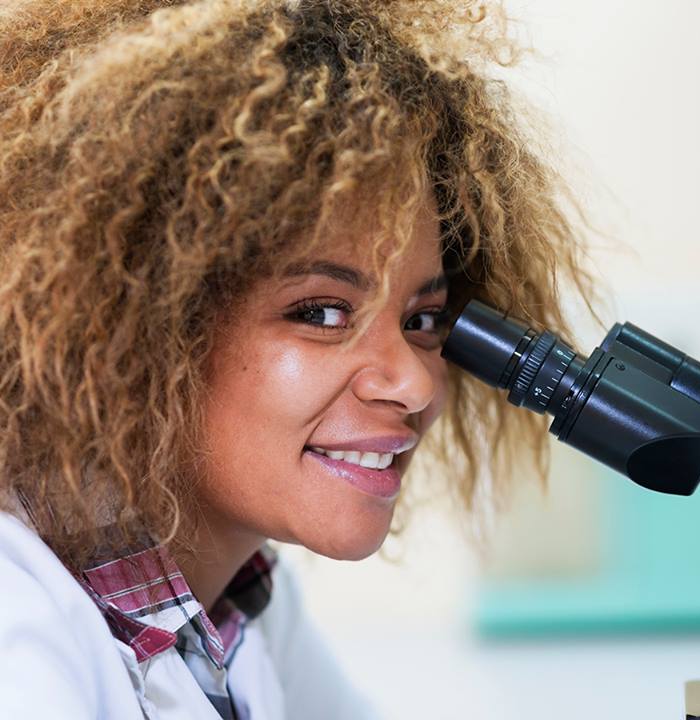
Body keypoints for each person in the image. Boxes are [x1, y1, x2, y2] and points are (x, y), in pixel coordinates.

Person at [0, 0, 591, 717]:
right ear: (134, 330)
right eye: (318, 313)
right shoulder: (18, 633)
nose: (411, 381)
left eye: (423, 319)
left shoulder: (236, 602)